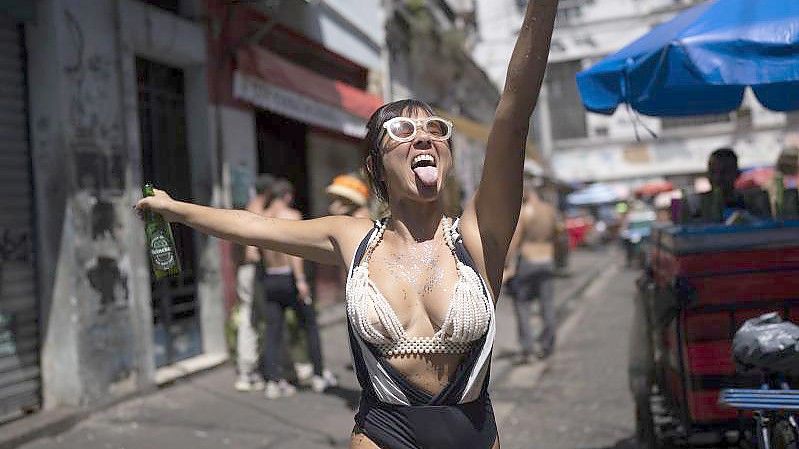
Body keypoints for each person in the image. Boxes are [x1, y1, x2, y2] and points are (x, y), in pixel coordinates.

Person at [136, 0, 557, 445]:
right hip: (383, 432)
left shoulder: (478, 233)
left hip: (472, 431)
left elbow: (512, 115)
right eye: (402, 132)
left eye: (435, 129)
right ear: (376, 167)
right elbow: (257, 226)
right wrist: (177, 209)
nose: (424, 138)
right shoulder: (352, 237)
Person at [259, 178, 334, 398]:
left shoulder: (262, 218)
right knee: (309, 326)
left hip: (270, 278)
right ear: (287, 196)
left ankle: (273, 381)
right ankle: (319, 375)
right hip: (289, 279)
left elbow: (255, 253)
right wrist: (301, 280)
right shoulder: (291, 216)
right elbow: (295, 252)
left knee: (272, 331)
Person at [504, 177, 560, 363]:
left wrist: (507, 263)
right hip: (547, 259)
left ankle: (528, 347)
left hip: (528, 261)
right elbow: (558, 233)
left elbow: (515, 240)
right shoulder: (549, 210)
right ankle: (547, 344)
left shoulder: (524, 212)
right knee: (547, 305)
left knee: (522, 306)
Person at [234, 174, 273, 392]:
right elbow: (251, 252)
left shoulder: (247, 208)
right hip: (253, 272)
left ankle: (248, 370)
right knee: (255, 319)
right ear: (267, 193)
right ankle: (249, 370)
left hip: (244, 272)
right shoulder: (258, 211)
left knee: (250, 318)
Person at [684, 148, 771, 223]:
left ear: (737, 174)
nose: (717, 178)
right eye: (713, 172)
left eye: (724, 172)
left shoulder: (750, 205)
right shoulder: (695, 206)